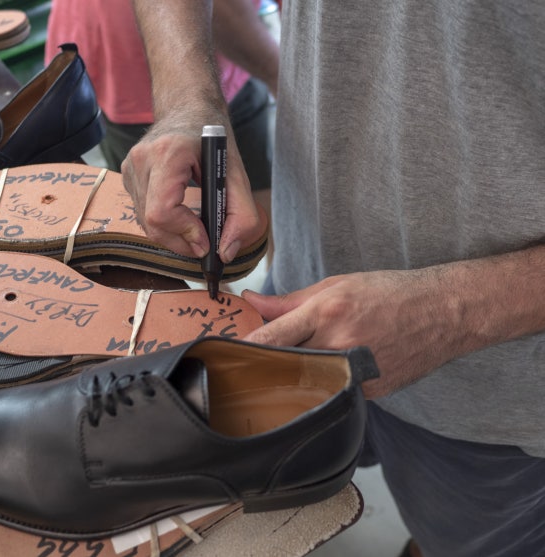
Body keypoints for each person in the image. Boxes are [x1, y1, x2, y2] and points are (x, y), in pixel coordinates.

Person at [121, 2, 545, 557]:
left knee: (457, 540)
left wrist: (450, 311)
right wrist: (187, 102)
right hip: (298, 293)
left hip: (493, 392)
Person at [45, 0, 279, 264]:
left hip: (234, 60)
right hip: (121, 62)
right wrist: (275, 72)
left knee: (251, 205)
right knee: (169, 213)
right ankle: (212, 282)